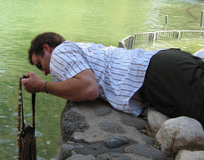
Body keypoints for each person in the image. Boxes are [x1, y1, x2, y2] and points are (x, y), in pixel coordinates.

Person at [22, 32, 204, 126]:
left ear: (47, 48)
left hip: (159, 75)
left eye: (39, 64)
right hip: (163, 68)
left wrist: (41, 86)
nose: (44, 71)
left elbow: (88, 89)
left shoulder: (60, 53)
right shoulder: (81, 49)